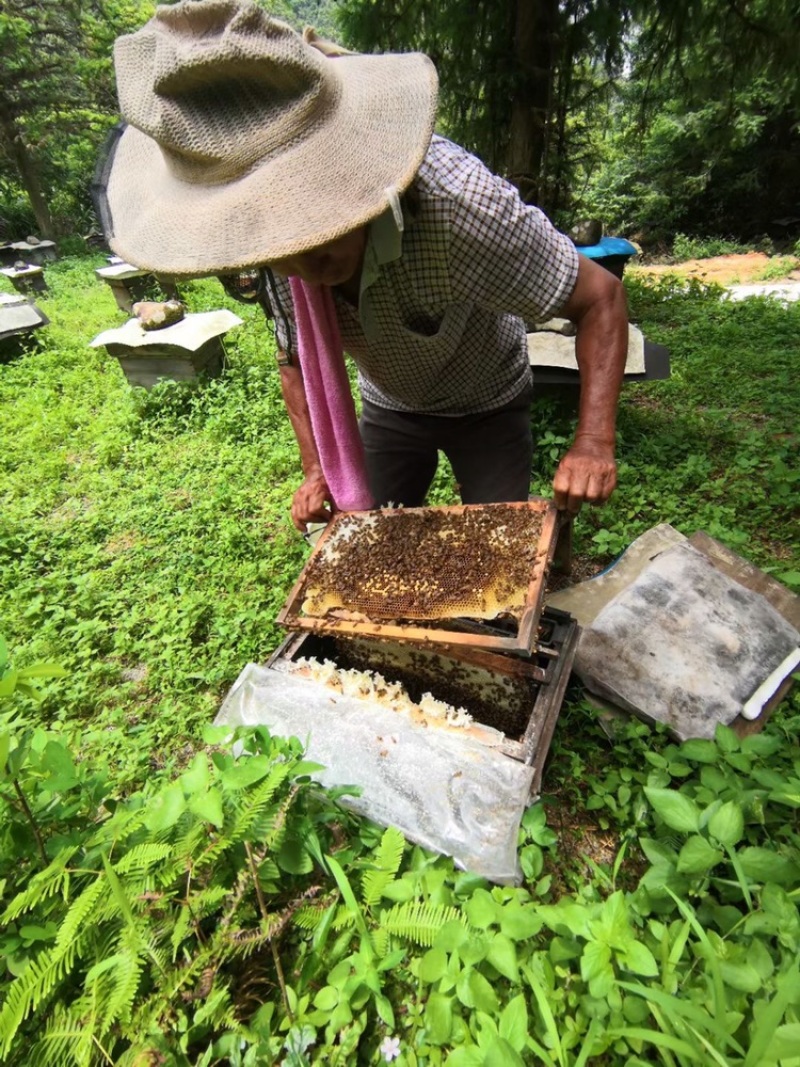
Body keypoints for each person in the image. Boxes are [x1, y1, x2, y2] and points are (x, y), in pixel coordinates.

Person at [100, 0, 628, 531]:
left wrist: (592, 443)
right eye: (276, 249)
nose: (301, 267)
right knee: (366, 534)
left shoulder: (461, 206)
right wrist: (315, 468)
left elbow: (600, 297)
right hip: (390, 405)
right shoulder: (267, 258)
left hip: (488, 397)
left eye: (316, 228)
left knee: (498, 536)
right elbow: (295, 358)